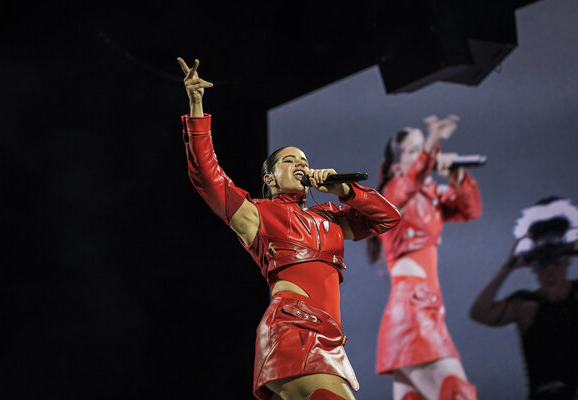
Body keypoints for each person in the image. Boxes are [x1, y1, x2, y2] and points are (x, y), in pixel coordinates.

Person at [177, 57, 401, 400]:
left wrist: (344, 191)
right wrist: (196, 107)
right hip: (294, 327)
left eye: (305, 162)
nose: (301, 164)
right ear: (270, 177)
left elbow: (387, 218)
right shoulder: (258, 214)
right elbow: (208, 179)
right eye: (290, 160)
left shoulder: (329, 218)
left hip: (328, 335)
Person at [366, 115, 482, 400]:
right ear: (395, 166)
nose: (423, 155)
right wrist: (433, 142)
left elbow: (470, 209)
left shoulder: (431, 195)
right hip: (414, 311)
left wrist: (455, 175)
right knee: (456, 394)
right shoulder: (391, 195)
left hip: (427, 310)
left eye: (424, 148)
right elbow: (412, 180)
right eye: (413, 150)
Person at [470, 196, 578, 400]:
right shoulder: (526, 306)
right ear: (533, 267)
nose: (550, 272)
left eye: (556, 264)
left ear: (566, 263)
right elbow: (479, 313)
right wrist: (507, 268)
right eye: (543, 266)